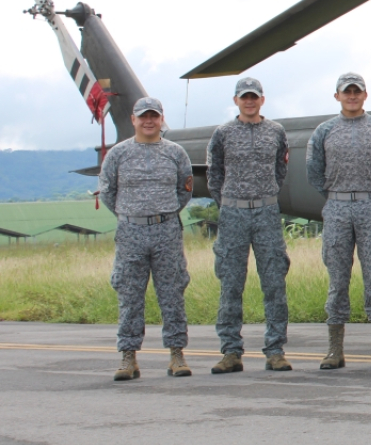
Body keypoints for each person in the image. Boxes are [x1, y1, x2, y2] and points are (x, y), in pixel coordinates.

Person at [306, 72, 371, 370]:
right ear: (337, 96)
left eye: (356, 91)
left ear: (365, 94)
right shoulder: (323, 131)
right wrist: (335, 194)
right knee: (337, 281)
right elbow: (313, 171)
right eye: (346, 92)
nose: (352, 96)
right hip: (336, 207)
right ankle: (335, 350)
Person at [98, 97, 194, 381]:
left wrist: (161, 214)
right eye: (143, 117)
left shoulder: (176, 153)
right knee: (129, 295)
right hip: (131, 232)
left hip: (166, 230)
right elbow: (107, 192)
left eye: (154, 116)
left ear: (161, 118)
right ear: (133, 119)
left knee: (172, 294)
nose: (149, 121)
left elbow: (184, 190)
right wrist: (131, 214)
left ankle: (177, 354)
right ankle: (129, 357)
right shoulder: (118, 154)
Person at [206, 77, 293, 374]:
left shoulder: (276, 132)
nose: (249, 101)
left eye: (254, 96)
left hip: (267, 213)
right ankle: (230, 351)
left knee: (274, 283)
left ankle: (275, 350)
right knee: (230, 284)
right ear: (236, 101)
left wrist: (262, 197)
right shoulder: (223, 134)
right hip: (233, 215)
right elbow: (214, 175)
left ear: (262, 100)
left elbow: (281, 170)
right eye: (244, 97)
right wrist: (231, 203)